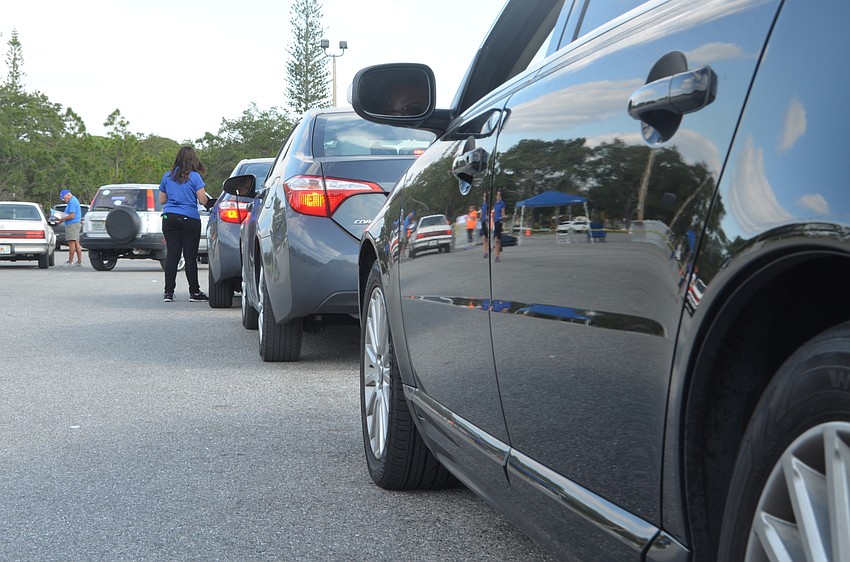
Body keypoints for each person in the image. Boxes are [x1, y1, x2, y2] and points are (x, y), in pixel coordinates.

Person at [158, 146, 213, 303]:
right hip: (189, 219)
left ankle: (168, 293)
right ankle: (194, 292)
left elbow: (162, 200)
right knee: (190, 257)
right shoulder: (195, 177)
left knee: (172, 255)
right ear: (193, 159)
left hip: (170, 218)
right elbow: (203, 200)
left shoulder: (167, 177)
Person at [55, 189, 83, 267]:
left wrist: (62, 219)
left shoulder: (72, 202)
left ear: (68, 195)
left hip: (72, 224)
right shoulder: (73, 201)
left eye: (64, 198)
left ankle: (70, 262)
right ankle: (80, 261)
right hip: (75, 223)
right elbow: (67, 215)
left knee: (71, 243)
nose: (64, 200)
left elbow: (71, 216)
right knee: (77, 243)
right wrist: (60, 221)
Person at [493, 190, 506, 263]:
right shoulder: (495, 204)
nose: (498, 196)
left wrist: (503, 220)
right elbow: (494, 213)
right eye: (497, 195)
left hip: (499, 222)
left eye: (499, 195)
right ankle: (497, 256)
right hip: (495, 222)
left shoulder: (502, 203)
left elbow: (503, 213)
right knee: (496, 240)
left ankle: (498, 254)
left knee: (497, 240)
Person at [480, 193, 489, 258]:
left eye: (485, 196)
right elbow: (481, 212)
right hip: (482, 221)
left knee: (486, 238)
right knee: (484, 238)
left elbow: (487, 212)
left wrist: (487, 217)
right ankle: (485, 252)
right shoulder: (482, 204)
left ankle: (488, 250)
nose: (484, 197)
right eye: (483, 196)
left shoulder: (487, 205)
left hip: (486, 222)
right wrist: (480, 218)